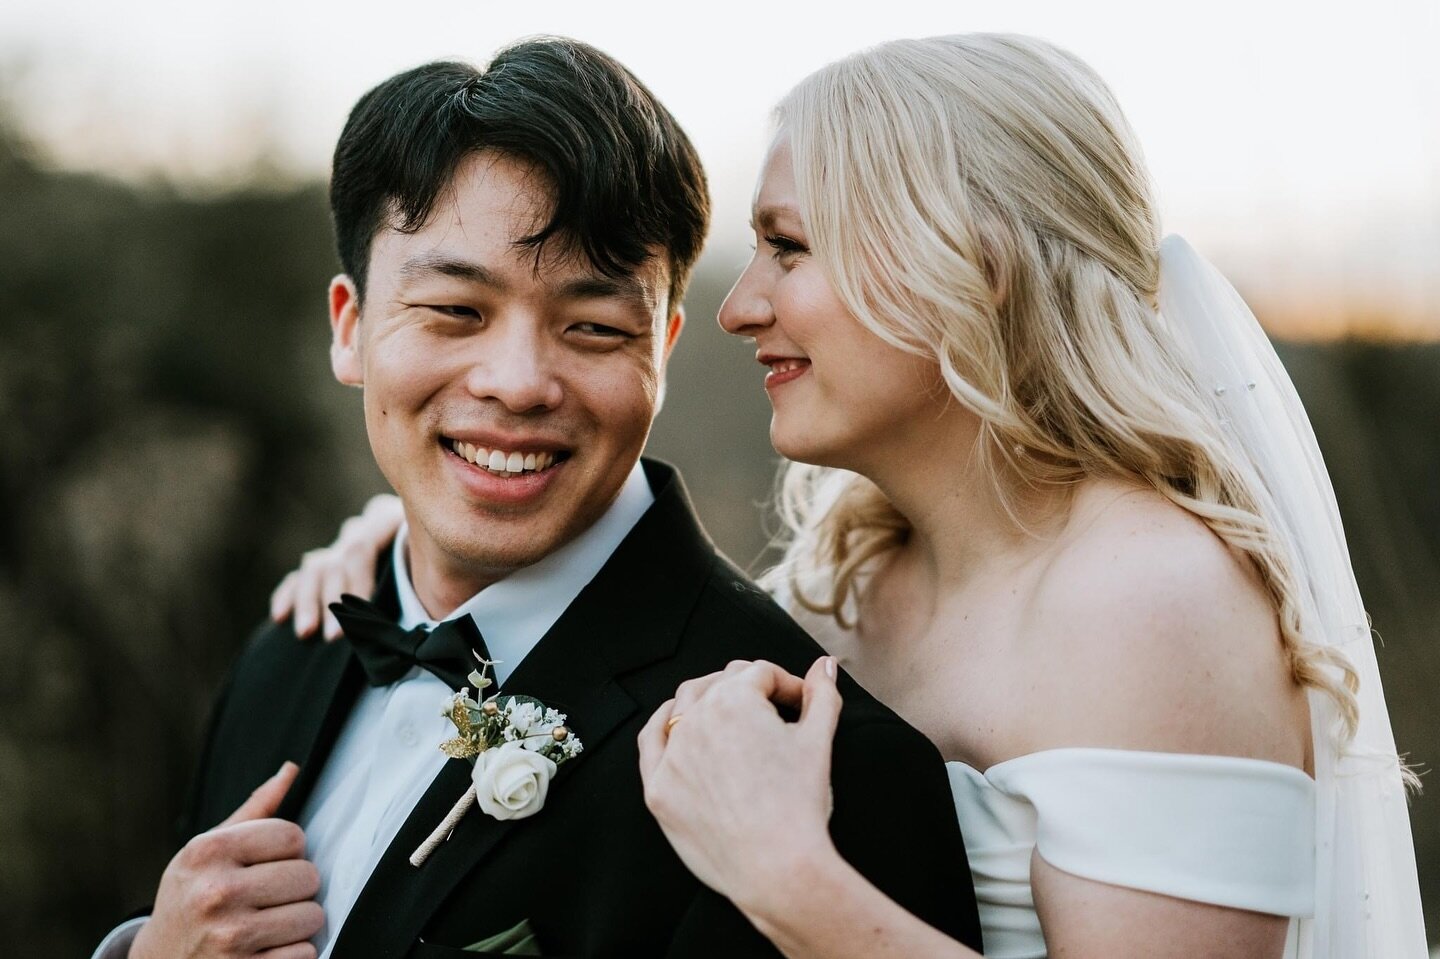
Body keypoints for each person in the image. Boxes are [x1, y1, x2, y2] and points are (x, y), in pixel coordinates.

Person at [282, 34, 1428, 959]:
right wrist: (427, 545)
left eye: (789, 246)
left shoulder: (1151, 597)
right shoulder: (861, 576)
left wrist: (790, 878)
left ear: (964, 263)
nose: (741, 308)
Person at [91, 38, 981, 959]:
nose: (518, 383)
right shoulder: (286, 653)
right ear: (352, 330)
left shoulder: (820, 769)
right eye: (454, 311)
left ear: (661, 351)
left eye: (592, 327)